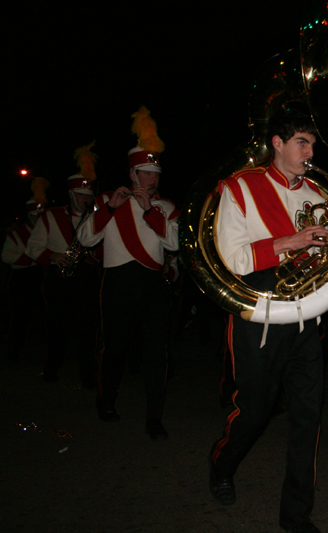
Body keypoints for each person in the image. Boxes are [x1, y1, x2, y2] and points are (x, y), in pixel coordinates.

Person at [207, 108, 328, 533]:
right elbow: (234, 259)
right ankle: (222, 464)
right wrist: (291, 241)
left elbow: (325, 258)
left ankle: (296, 516)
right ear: (276, 143)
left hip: (306, 318)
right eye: (302, 142)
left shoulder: (317, 193)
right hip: (260, 312)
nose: (311, 151)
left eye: (312, 143)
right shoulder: (241, 188)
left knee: (307, 416)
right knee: (255, 412)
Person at [78, 108, 178, 441]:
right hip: (118, 282)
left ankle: (154, 416)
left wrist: (150, 212)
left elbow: (176, 242)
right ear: (133, 173)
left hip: (152, 285)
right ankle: (106, 401)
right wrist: (108, 209)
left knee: (155, 352)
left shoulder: (164, 207)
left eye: (155, 173)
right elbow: (85, 239)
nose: (153, 179)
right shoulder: (108, 200)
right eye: (146, 173)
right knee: (115, 348)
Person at [27, 154, 101, 388]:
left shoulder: (96, 217)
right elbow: (32, 247)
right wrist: (53, 256)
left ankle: (88, 374)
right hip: (58, 276)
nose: (84, 200)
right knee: (56, 325)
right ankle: (51, 367)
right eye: (80, 195)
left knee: (88, 327)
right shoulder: (51, 215)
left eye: (88, 196)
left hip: (86, 276)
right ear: (70, 195)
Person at [2, 187, 47, 361]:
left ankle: (45, 352)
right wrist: (31, 259)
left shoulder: (47, 232)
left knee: (44, 316)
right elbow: (6, 256)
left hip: (41, 276)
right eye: (36, 216)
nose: (39, 219)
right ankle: (14, 351)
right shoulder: (17, 234)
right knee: (20, 316)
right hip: (22, 279)